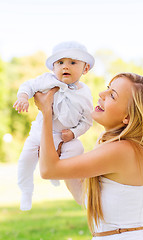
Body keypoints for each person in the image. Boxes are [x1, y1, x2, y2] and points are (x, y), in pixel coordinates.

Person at [34, 72, 143, 240]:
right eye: (107, 89)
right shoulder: (116, 146)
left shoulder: (123, 150)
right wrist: (66, 149)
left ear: (127, 117)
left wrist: (47, 112)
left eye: (112, 95)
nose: (101, 95)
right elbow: (83, 197)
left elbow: (48, 170)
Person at [13, 41, 95, 211]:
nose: (65, 67)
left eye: (72, 62)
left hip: (64, 137)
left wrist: (73, 133)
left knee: (76, 149)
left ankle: (57, 171)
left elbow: (87, 120)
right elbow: (28, 85)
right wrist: (22, 97)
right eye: (60, 62)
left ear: (85, 69)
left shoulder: (85, 93)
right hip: (40, 133)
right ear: (53, 67)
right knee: (25, 161)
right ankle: (26, 191)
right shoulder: (46, 80)